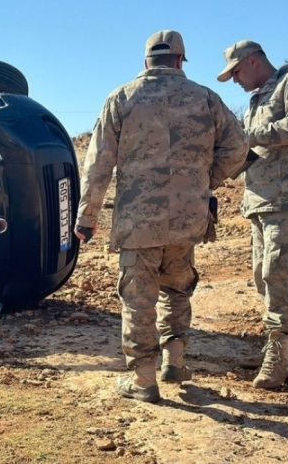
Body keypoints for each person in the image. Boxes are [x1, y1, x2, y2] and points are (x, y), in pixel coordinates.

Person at [75, 30, 247, 403]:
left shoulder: (121, 98)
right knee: (177, 287)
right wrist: (204, 179)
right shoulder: (206, 97)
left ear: (145, 62)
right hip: (189, 217)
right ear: (181, 61)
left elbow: (99, 163)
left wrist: (87, 215)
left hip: (139, 220)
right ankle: (175, 361)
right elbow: (238, 146)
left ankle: (143, 381)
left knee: (139, 298)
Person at [216, 40, 288, 389]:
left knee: (277, 273)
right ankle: (277, 350)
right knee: (262, 276)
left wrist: (250, 135)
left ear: (251, 62)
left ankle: (280, 357)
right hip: (260, 200)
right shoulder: (256, 98)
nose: (234, 79)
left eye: (235, 71)